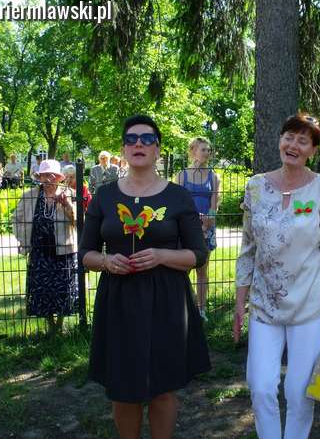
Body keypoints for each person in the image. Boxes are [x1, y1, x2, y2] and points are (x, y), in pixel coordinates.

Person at [80, 114, 210, 439]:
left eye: (148, 139)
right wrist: (107, 261)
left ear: (158, 149)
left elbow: (198, 254)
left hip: (167, 300)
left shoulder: (178, 196)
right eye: (132, 139)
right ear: (123, 148)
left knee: (163, 390)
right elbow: (85, 254)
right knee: (123, 389)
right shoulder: (105, 196)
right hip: (119, 301)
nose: (139, 144)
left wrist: (162, 256)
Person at [233, 113, 320, 439]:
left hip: (310, 306)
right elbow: (248, 248)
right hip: (264, 305)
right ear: (280, 140)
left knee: (300, 392)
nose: (294, 145)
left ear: (313, 150)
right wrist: (240, 303)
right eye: (289, 136)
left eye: (303, 140)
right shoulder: (255, 186)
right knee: (261, 387)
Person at [12, 159, 78, 336]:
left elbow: (78, 221)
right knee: (42, 290)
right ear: (39, 177)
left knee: (64, 290)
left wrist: (67, 205)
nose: (48, 178)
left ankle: (60, 324)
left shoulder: (69, 193)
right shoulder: (29, 196)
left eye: (52, 175)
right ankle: (50, 326)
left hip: (63, 250)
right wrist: (23, 239)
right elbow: (16, 219)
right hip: (39, 251)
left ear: (59, 177)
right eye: (44, 175)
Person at [176, 137, 220, 321]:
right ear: (193, 151)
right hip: (186, 226)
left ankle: (201, 310)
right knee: (183, 269)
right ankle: (186, 306)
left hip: (207, 227)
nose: (207, 153)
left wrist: (209, 219)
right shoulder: (182, 175)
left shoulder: (214, 176)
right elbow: (178, 202)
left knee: (202, 269)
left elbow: (215, 203)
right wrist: (192, 220)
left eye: (209, 150)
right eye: (203, 149)